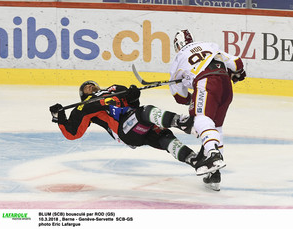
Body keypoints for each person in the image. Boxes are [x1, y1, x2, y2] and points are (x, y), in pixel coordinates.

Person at [49, 80, 226, 177]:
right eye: (85, 87)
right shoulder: (84, 107)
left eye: (90, 83)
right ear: (83, 95)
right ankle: (183, 123)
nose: (89, 85)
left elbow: (133, 102)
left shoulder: (114, 89)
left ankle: (197, 162)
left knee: (165, 136)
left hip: (139, 126)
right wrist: (60, 117)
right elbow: (73, 133)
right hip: (125, 130)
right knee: (146, 112)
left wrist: (133, 95)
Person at [169, 29, 246, 191]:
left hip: (206, 83)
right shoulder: (208, 45)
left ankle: (213, 154)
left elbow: (178, 94)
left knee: (200, 118)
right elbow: (237, 63)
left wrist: (191, 98)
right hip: (226, 86)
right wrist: (239, 73)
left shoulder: (178, 58)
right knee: (214, 127)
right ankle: (215, 173)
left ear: (177, 45)